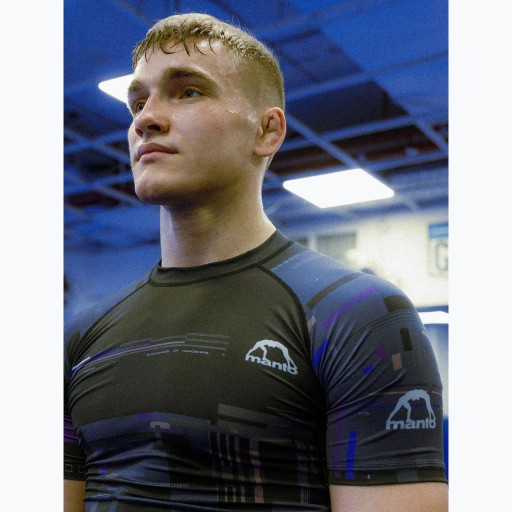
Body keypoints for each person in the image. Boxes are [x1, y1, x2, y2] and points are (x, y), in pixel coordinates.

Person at [64, 12, 448, 511]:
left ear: (268, 131)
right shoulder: (82, 335)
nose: (145, 119)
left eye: (188, 92)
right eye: (137, 102)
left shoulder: (358, 315)